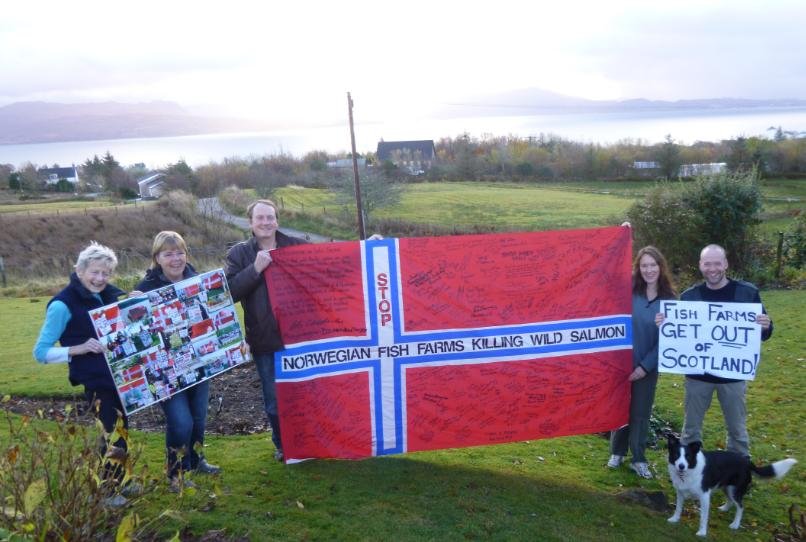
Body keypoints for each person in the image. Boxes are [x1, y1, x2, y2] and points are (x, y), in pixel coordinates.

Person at [33, 242, 131, 500]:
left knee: (122, 429)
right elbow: (40, 352)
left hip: (117, 375)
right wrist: (79, 348)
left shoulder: (106, 296)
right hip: (95, 379)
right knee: (110, 433)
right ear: (79, 270)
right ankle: (107, 491)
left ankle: (121, 480)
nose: (100, 279)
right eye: (95, 272)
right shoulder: (61, 305)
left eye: (106, 273)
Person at [134, 231, 221, 491]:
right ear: (157, 258)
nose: (175, 259)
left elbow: (215, 318)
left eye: (180, 252)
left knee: (198, 419)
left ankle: (196, 460)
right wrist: (133, 306)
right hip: (166, 372)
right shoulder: (145, 289)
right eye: (168, 253)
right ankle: (175, 473)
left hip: (198, 364)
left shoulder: (198, 281)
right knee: (181, 421)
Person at [225, 200, 307, 461]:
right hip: (264, 338)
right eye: (260, 218)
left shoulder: (295, 245)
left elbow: (329, 261)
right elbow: (229, 293)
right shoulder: (239, 254)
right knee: (274, 400)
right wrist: (255, 269)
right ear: (251, 223)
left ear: (277, 221)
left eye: (270, 217)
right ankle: (284, 446)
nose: (265, 222)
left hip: (301, 336)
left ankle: (308, 443)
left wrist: (366, 248)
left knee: (306, 394)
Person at [676, 244, 772, 458]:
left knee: (737, 430)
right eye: (707, 263)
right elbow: (681, 333)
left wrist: (766, 325)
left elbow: (763, 332)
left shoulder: (747, 293)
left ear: (726, 264)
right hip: (698, 376)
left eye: (717, 263)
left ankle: (739, 474)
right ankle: (689, 469)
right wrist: (666, 324)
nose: (713, 269)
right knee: (691, 430)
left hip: (733, 375)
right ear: (700, 265)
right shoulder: (689, 297)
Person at [607, 246, 677, 479]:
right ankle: (617, 452)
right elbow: (608, 272)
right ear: (638, 268)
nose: (649, 270)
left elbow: (667, 341)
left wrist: (644, 367)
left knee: (640, 412)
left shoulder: (669, 300)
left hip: (648, 365)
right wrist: (622, 237)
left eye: (653, 265)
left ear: (661, 267)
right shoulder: (628, 291)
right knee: (620, 408)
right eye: (644, 265)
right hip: (621, 363)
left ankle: (638, 458)